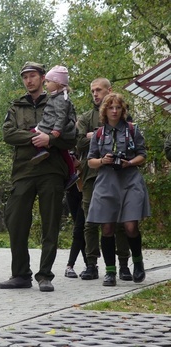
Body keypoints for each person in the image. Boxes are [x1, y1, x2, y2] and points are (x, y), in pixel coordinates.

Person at [0, 62, 76, 292]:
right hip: (23, 170)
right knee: (16, 221)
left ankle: (45, 276)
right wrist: (36, 137)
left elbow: (72, 134)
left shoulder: (59, 99)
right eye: (25, 77)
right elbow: (8, 133)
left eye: (33, 76)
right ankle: (21, 274)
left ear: (43, 78)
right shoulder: (16, 106)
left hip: (51, 170)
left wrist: (50, 140)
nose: (29, 80)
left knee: (50, 224)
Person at [87, 93, 150, 286]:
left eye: (118, 108)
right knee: (107, 227)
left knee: (130, 225)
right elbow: (91, 161)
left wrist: (128, 162)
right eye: (111, 108)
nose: (114, 111)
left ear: (123, 110)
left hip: (129, 179)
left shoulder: (132, 130)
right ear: (104, 111)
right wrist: (103, 160)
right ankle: (110, 271)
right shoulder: (98, 134)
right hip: (106, 181)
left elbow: (142, 155)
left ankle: (137, 263)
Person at [76, 78, 132, 281]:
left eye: (98, 90)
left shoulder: (123, 114)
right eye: (92, 91)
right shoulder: (86, 117)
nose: (95, 94)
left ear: (109, 90)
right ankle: (91, 264)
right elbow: (78, 142)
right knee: (91, 221)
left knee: (119, 221)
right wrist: (96, 135)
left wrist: (95, 136)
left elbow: (131, 141)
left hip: (119, 176)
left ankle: (124, 264)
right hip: (92, 176)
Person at [30, 65, 78, 189]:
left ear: (57, 83)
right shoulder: (58, 96)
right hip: (52, 126)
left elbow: (61, 116)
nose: (46, 84)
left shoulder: (61, 99)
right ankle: (72, 173)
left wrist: (56, 131)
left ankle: (42, 150)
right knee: (64, 152)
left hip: (51, 127)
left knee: (33, 132)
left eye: (48, 82)